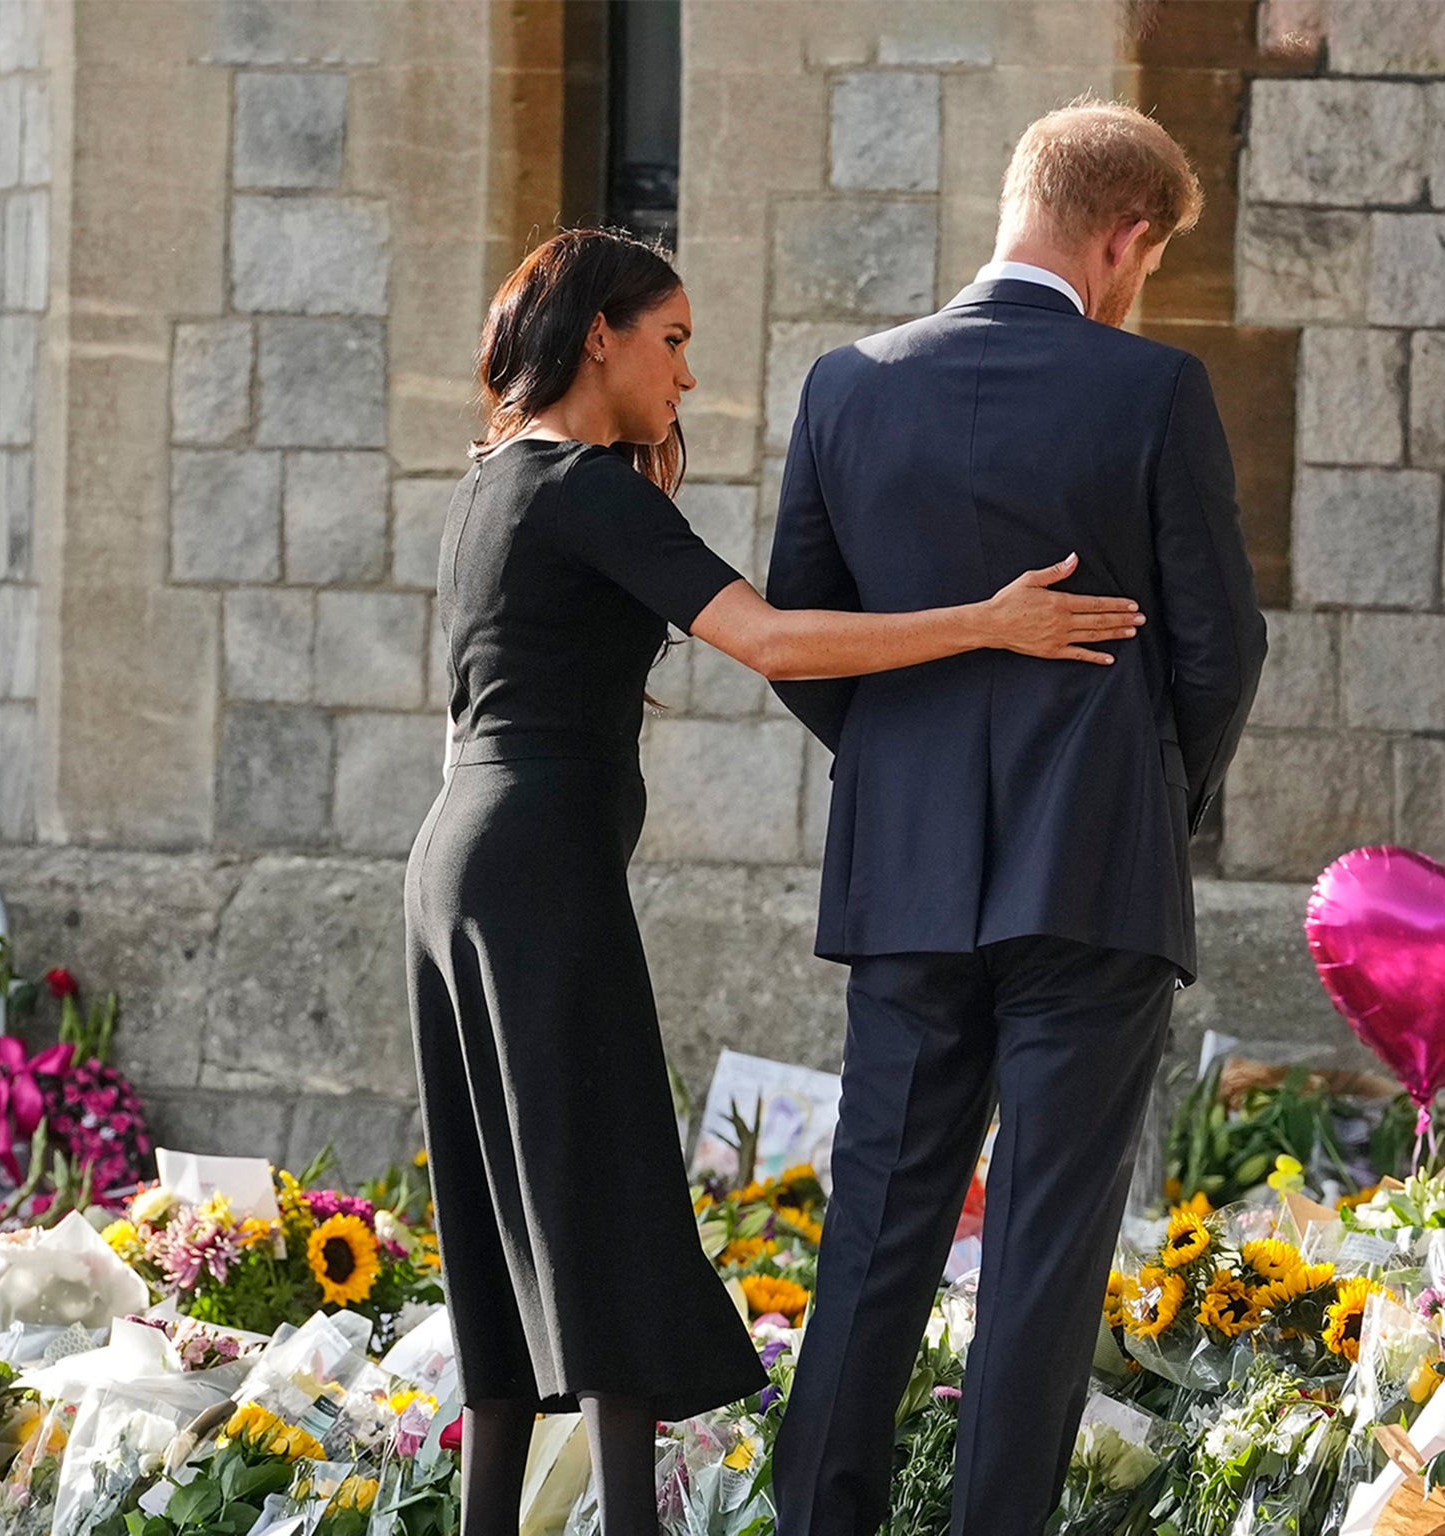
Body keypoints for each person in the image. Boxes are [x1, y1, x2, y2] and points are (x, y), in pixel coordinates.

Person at [403, 226, 1146, 1536]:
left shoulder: (489, 483)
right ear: (603, 338)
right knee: (606, 1188)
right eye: (673, 342)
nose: (687, 379)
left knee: (503, 1209)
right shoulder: (586, 487)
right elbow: (774, 640)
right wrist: (987, 620)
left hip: (455, 861)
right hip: (534, 872)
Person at [766, 100, 1268, 1536]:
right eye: (1145, 263)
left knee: (875, 1235)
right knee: (1045, 1246)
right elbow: (1220, 650)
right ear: (1123, 237)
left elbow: (806, 631)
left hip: (905, 879)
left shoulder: (847, 386)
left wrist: (904, 774)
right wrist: (1144, 801)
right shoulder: (1151, 391)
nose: (1136, 292)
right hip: (1091, 879)